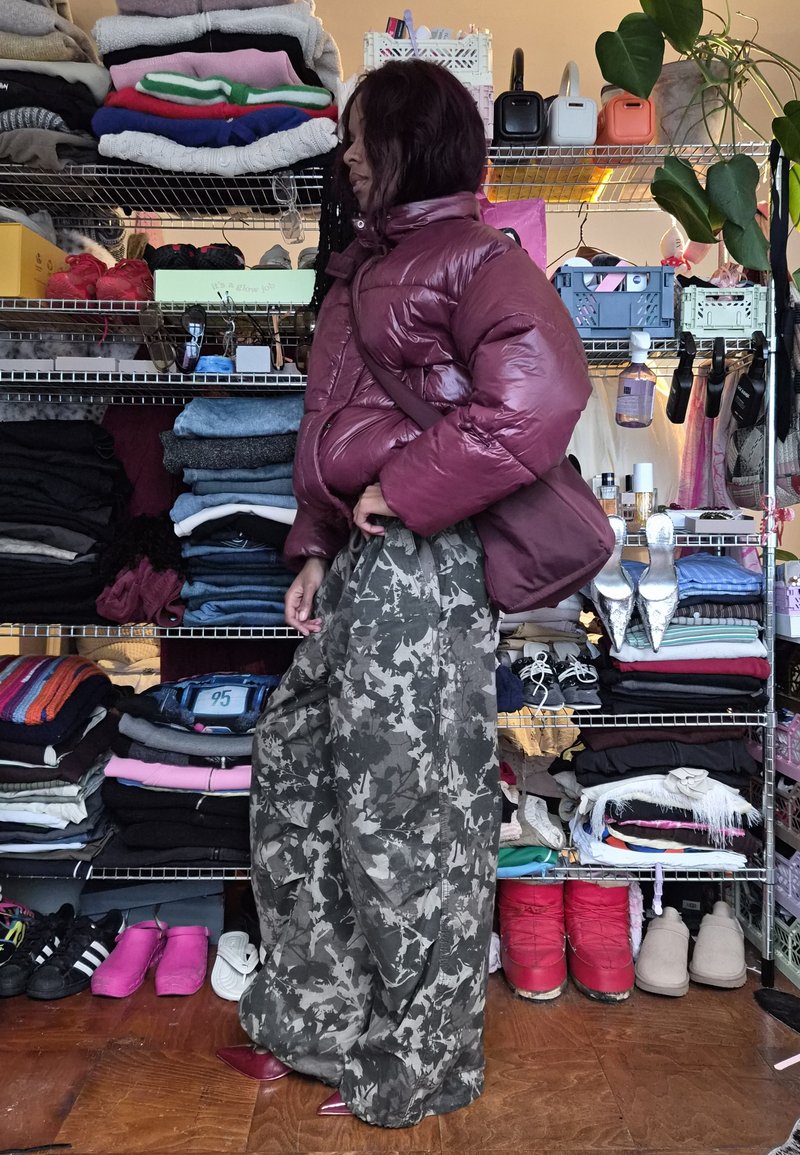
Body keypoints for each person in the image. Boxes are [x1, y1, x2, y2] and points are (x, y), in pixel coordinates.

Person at [217, 59, 593, 1128]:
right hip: (363, 566)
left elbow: (541, 396)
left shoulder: (475, 255)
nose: (343, 155)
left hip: (426, 567)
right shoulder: (363, 263)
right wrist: (314, 547)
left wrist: (406, 489)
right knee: (300, 775)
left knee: (406, 814)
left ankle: (419, 1063)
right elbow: (331, 429)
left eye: (358, 136)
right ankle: (326, 1021)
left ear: (409, 140)